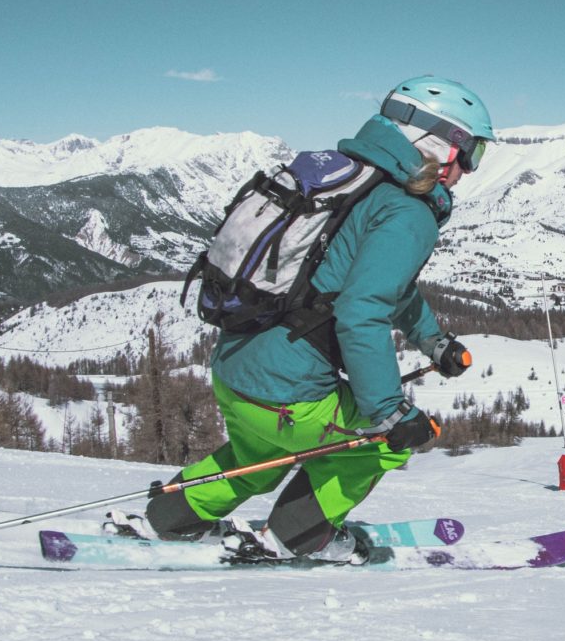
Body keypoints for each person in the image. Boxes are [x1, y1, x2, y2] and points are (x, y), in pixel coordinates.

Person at [141, 75, 496, 564]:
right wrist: (391, 414)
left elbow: (387, 289)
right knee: (385, 443)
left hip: (235, 371)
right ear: (442, 147)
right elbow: (362, 311)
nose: (471, 170)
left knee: (258, 456)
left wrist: (433, 343)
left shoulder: (351, 180)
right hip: (289, 395)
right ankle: (297, 533)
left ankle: (171, 517)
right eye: (473, 152)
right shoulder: (405, 210)